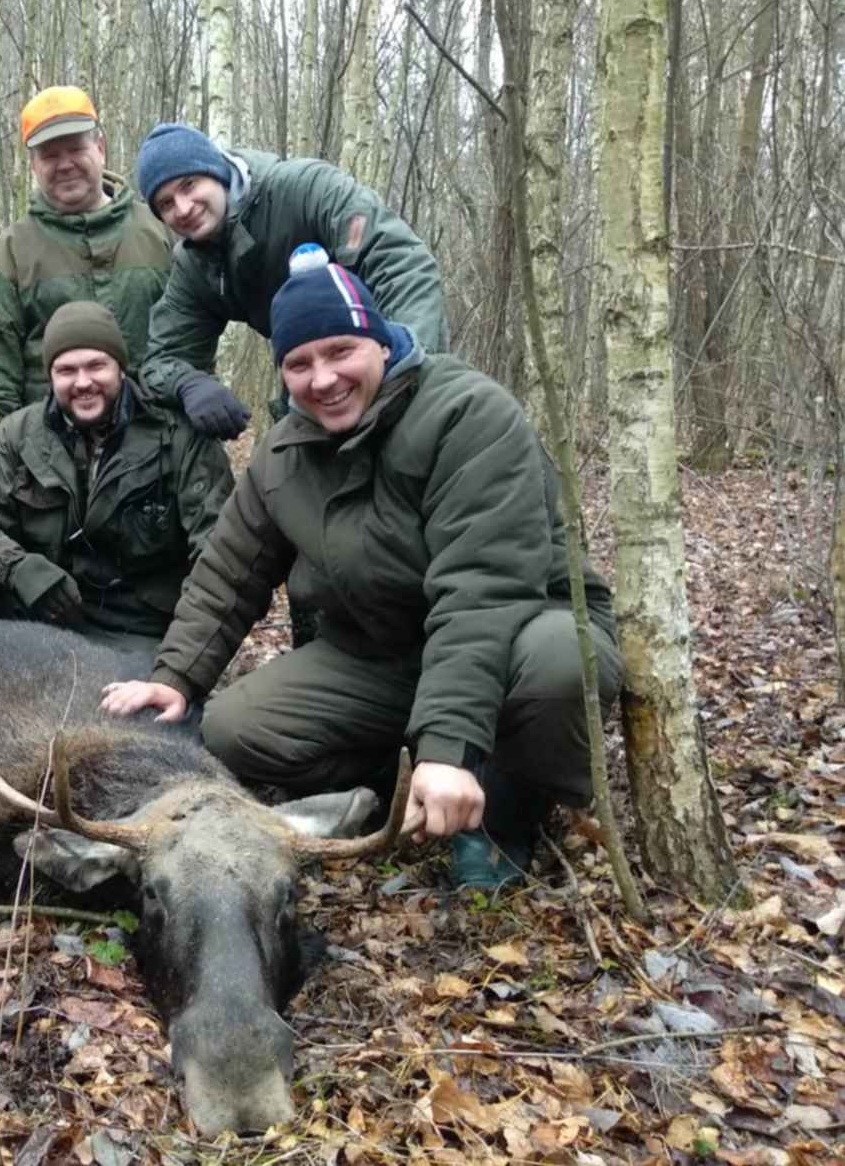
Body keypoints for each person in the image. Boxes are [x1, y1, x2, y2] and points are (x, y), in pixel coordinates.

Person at [101, 265, 621, 889]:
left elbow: (480, 592)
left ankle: (505, 810)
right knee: (233, 730)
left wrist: (448, 747)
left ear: (379, 342)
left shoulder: (468, 415)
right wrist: (175, 677)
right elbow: (228, 571)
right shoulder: (285, 452)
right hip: (382, 650)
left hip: (511, 632)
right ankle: (397, 781)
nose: (323, 380)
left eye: (340, 351)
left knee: (561, 661)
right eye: (298, 363)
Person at [0, 301, 232, 656]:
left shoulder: (177, 434)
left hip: (141, 621)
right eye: (66, 370)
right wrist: (19, 568)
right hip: (50, 604)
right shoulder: (19, 432)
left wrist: (188, 651)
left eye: (96, 366)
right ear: (50, 376)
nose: (82, 383)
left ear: (121, 368)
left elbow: (220, 551)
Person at [132, 120, 449, 439]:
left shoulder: (305, 189)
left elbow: (403, 266)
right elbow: (163, 358)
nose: (183, 208)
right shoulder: (194, 264)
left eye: (189, 185)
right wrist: (190, 384)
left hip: (381, 359)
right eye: (166, 204)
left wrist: (405, 366)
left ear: (218, 172)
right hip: (308, 383)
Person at [0, 86, 172, 442]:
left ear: (100, 148)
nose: (65, 164)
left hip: (155, 443)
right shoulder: (14, 250)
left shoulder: (158, 232)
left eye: (76, 149)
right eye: (49, 155)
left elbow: (188, 340)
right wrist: (7, 454)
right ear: (33, 165)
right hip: (51, 454)